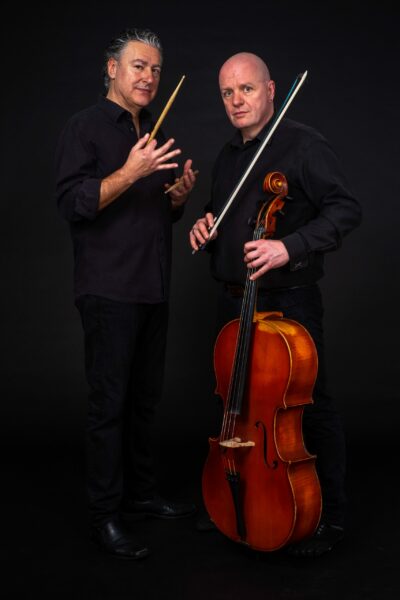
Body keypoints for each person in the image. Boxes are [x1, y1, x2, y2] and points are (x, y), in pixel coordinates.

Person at [190, 52, 361, 557]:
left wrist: (290, 246)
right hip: (233, 303)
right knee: (234, 404)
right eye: (227, 93)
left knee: (308, 404)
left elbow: (345, 209)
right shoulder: (228, 155)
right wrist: (205, 223)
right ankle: (235, 494)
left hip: (288, 304)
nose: (236, 101)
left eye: (246, 89)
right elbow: (223, 211)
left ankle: (331, 517)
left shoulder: (304, 145)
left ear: (270, 90)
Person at [55, 28, 197, 561]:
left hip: (152, 287)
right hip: (108, 290)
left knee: (144, 402)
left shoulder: (154, 129)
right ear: (112, 68)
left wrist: (176, 200)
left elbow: (151, 214)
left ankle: (140, 495)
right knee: (109, 406)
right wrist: (129, 171)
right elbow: (74, 204)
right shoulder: (84, 128)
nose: (149, 77)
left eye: (156, 69)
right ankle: (104, 516)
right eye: (139, 66)